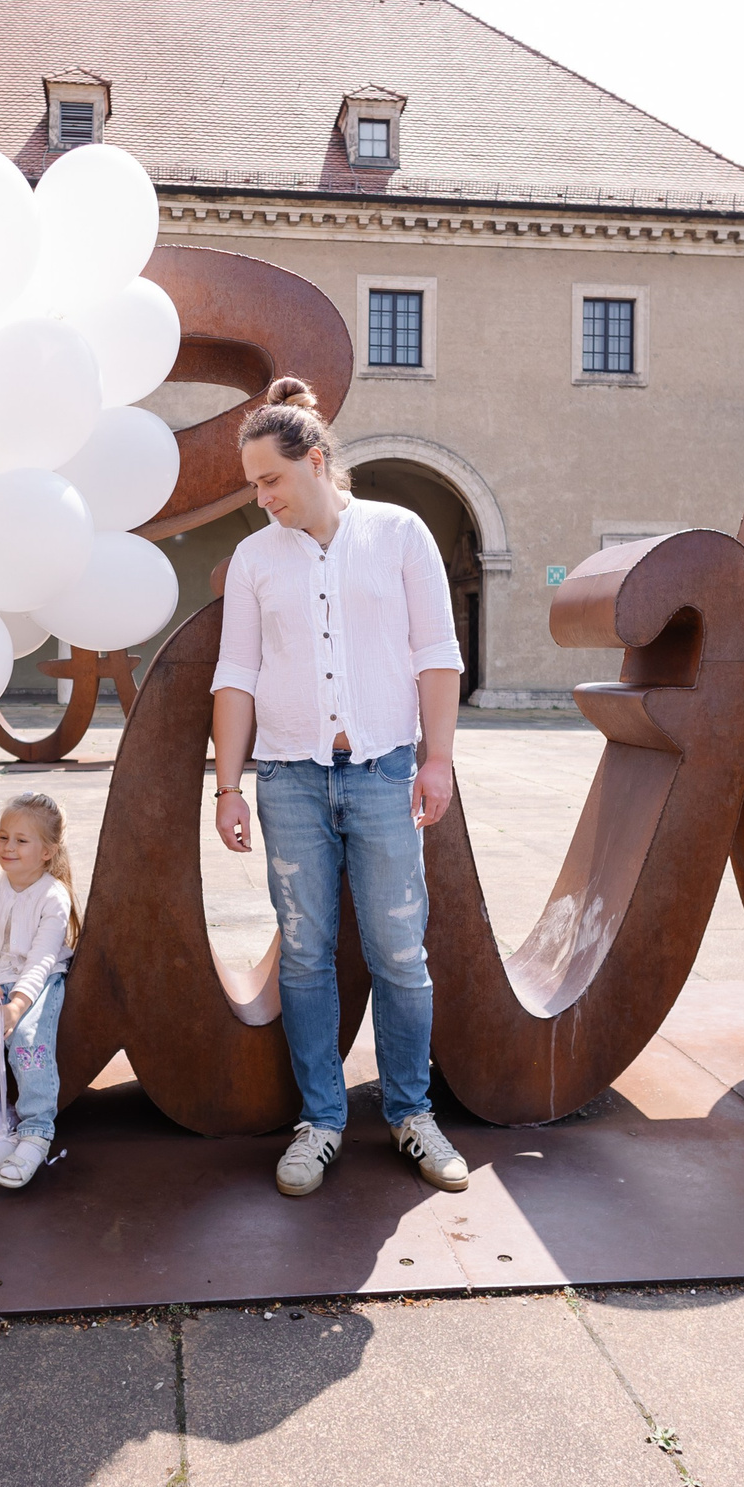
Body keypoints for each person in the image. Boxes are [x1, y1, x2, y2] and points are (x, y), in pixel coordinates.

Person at [211, 378, 471, 1197]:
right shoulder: (257, 559)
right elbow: (237, 674)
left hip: (387, 770)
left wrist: (438, 759)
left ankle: (410, 1112)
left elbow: (436, 650)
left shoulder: (399, 533)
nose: (262, 500)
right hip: (288, 778)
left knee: (401, 952)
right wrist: (227, 785)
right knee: (307, 956)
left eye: (271, 481)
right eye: (254, 485)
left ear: (316, 461)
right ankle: (321, 1120)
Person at [0, 792, 80, 1190]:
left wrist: (18, 1005)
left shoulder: (53, 896)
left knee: (27, 1041)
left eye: (21, 841)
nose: (8, 847)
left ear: (47, 851)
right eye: (4, 836)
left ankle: (36, 1132)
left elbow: (42, 958)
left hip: (36, 983)